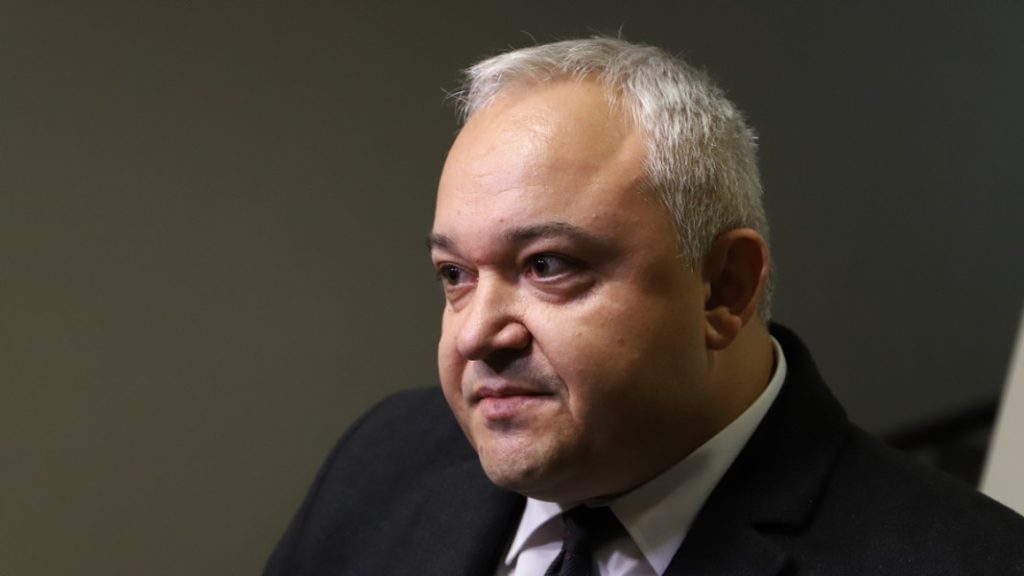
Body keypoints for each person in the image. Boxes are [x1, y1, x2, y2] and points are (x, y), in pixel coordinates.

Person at [264, 38, 1024, 575]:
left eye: (547, 265)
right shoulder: (385, 458)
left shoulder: (966, 560)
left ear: (724, 288)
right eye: (455, 275)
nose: (475, 335)